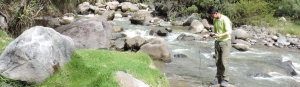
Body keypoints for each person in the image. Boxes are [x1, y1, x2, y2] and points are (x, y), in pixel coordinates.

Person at [202, 6, 232, 86]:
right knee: (218, 61)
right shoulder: (215, 19)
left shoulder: (225, 19)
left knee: (224, 61)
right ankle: (218, 78)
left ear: (216, 13)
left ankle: (225, 79)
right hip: (217, 42)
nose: (211, 17)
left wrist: (219, 36)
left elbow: (229, 32)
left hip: (225, 42)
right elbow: (215, 32)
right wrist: (208, 35)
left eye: (211, 15)